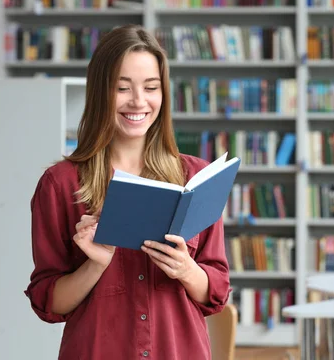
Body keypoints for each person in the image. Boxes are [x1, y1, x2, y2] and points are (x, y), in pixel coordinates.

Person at [24, 25, 231, 360]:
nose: (138, 101)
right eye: (122, 88)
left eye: (151, 87)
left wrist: (186, 269)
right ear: (100, 92)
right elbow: (48, 301)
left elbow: (217, 290)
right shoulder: (60, 184)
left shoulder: (196, 177)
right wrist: (94, 265)